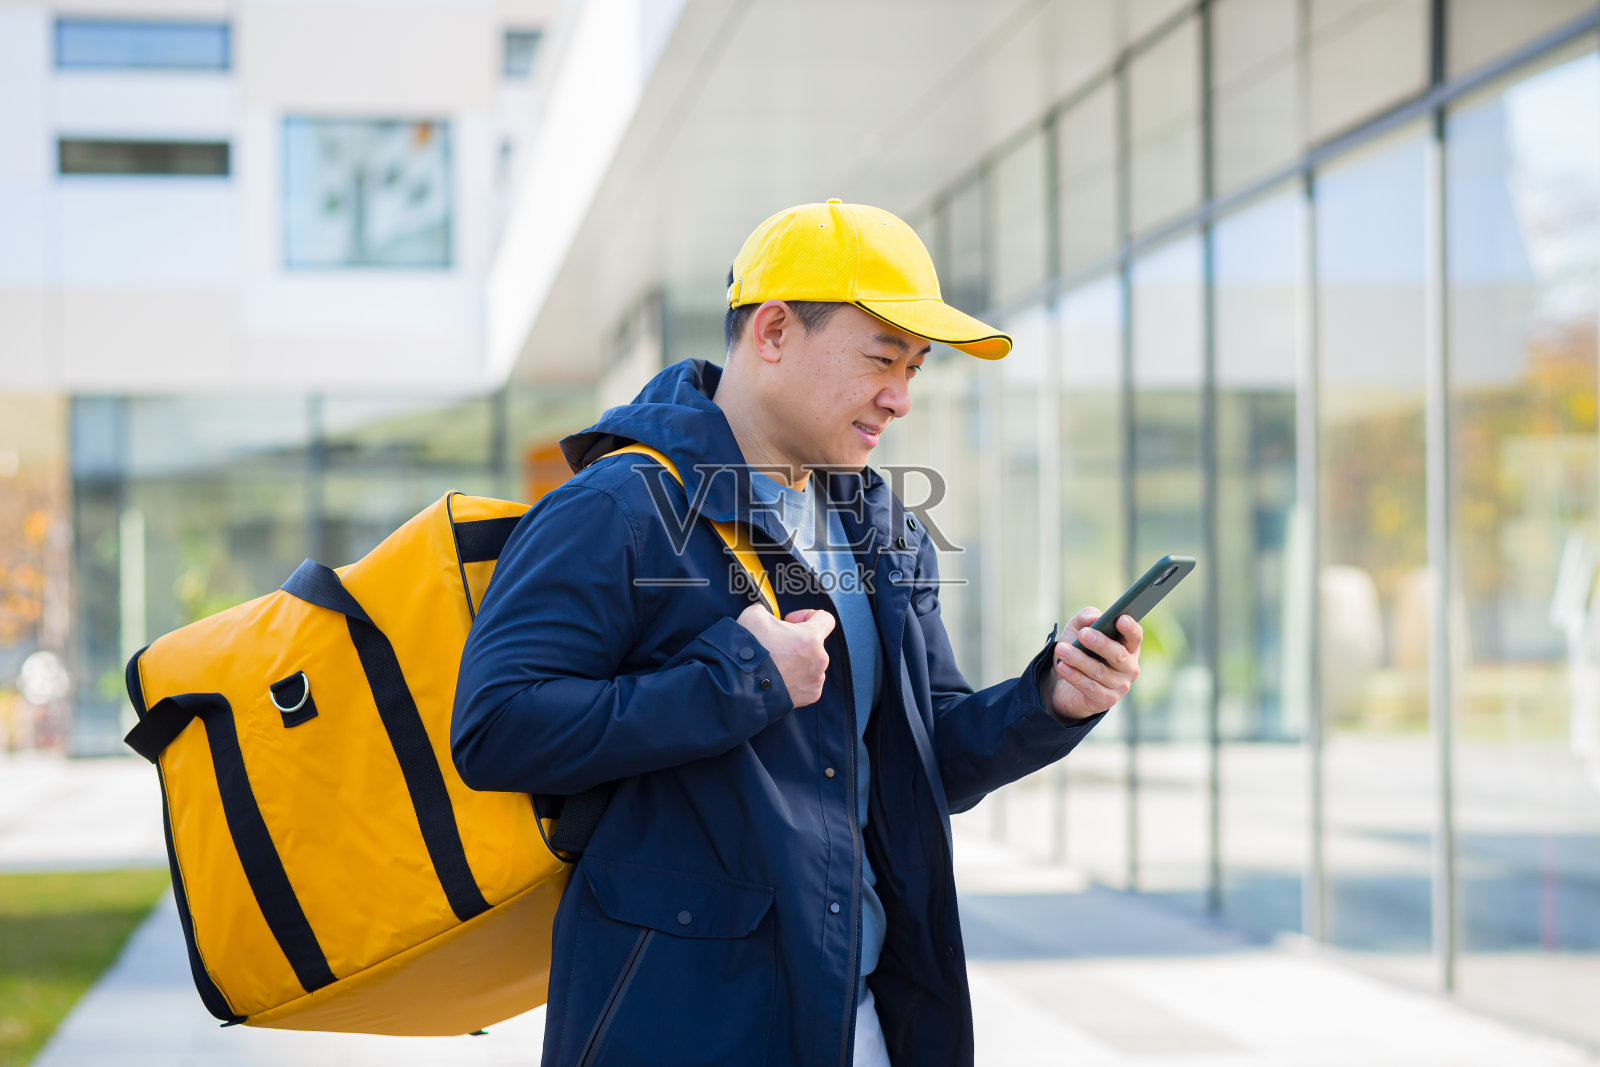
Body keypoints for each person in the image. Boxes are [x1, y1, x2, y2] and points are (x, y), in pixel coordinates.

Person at [451, 199, 1143, 1067]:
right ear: (774, 331)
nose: (900, 397)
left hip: (865, 1022)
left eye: (915, 367)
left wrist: (1050, 700)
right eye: (882, 357)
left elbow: (926, 759)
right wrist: (742, 677)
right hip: (683, 1034)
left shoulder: (883, 528)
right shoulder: (619, 505)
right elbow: (496, 727)